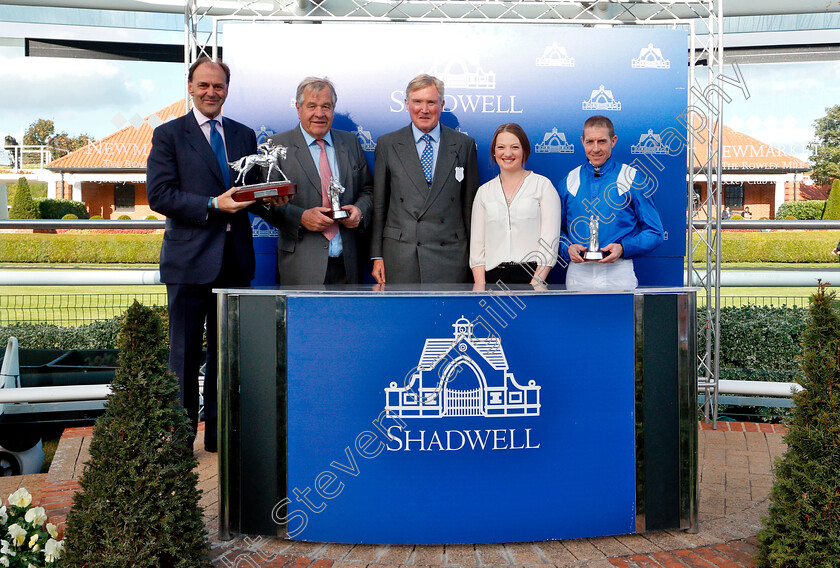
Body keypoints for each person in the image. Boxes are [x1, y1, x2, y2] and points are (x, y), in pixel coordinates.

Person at [146, 57, 289, 452]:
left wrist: (280, 200)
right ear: (190, 86)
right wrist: (212, 204)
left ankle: (220, 436)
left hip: (236, 260)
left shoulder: (244, 135)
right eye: (204, 85)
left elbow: (251, 194)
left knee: (228, 358)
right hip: (189, 262)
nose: (212, 92)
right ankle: (180, 439)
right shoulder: (169, 134)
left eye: (219, 86)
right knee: (185, 356)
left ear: (227, 89)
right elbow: (159, 195)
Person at [371, 74, 480, 284]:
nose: (424, 109)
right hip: (401, 255)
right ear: (406, 104)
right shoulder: (387, 144)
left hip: (451, 255)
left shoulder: (464, 145)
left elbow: (469, 206)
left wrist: (474, 258)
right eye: (417, 102)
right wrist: (377, 255)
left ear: (442, 104)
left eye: (431, 102)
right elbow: (379, 206)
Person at [267, 77, 373, 285]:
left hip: (348, 263)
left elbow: (368, 190)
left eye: (326, 106)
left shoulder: (351, 142)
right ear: (298, 108)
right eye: (312, 106)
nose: (319, 113)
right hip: (300, 264)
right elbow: (264, 203)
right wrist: (301, 217)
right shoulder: (276, 146)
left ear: (333, 109)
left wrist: (359, 211)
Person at [558, 115, 664, 290]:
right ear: (582, 141)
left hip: (618, 272)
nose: (596, 148)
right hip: (578, 273)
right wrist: (566, 248)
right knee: (579, 318)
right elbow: (556, 231)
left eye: (602, 141)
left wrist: (623, 248)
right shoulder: (569, 180)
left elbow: (655, 232)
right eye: (590, 141)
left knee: (620, 318)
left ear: (613, 141)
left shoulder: (631, 178)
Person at [470, 123, 560, 286]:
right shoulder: (484, 192)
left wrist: (536, 283)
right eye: (501, 147)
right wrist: (480, 285)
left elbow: (549, 241)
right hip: (492, 279)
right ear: (494, 152)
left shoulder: (543, 186)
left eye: (515, 147)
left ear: (524, 150)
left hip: (533, 276)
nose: (508, 153)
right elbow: (477, 246)